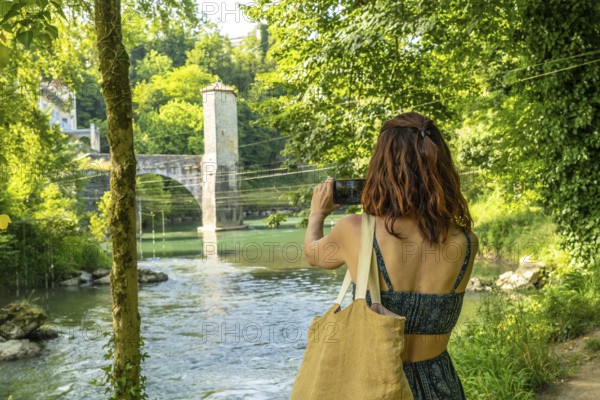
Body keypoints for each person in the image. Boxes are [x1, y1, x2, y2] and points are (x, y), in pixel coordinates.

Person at [303, 111, 479, 399]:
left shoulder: (356, 230)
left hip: (377, 385)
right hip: (441, 386)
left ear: (381, 167)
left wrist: (316, 214)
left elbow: (313, 254)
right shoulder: (466, 242)